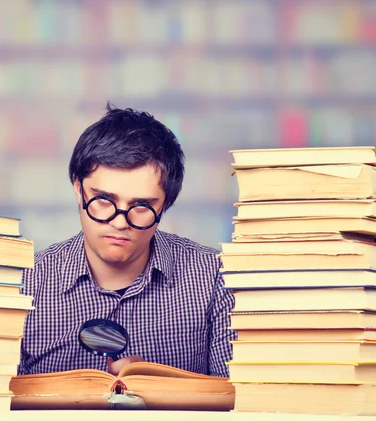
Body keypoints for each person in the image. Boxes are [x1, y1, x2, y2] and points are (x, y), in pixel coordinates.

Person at [19, 103, 235, 377]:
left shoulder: (214, 279)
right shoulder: (26, 287)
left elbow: (238, 405)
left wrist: (162, 388)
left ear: (166, 204)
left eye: (142, 206)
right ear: (78, 189)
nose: (120, 223)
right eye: (103, 200)